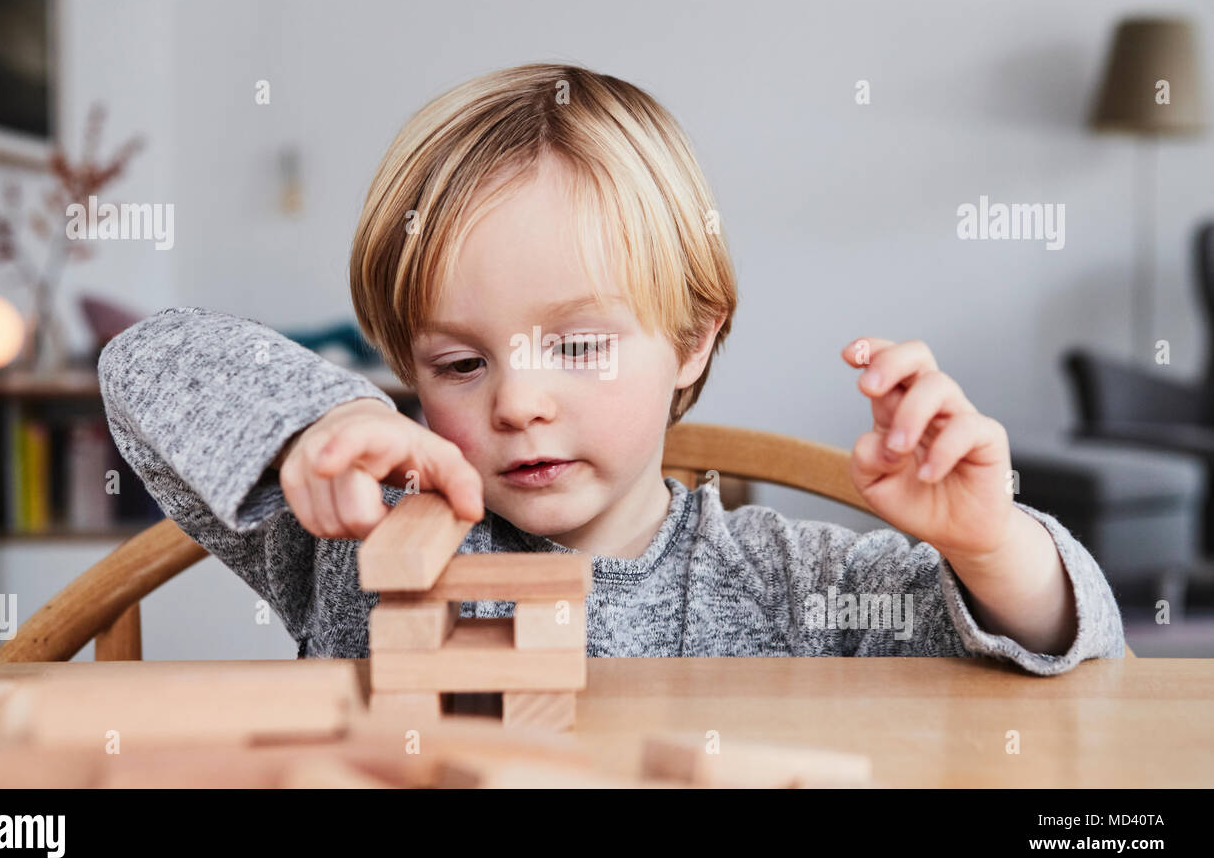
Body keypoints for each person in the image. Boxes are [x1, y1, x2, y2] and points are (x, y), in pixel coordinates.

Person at [98, 63, 1125, 673]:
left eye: (578, 345)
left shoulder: (790, 581)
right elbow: (145, 361)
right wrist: (311, 426)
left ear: (692, 338)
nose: (518, 400)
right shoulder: (350, 537)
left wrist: (994, 550)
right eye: (458, 361)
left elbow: (1075, 654)